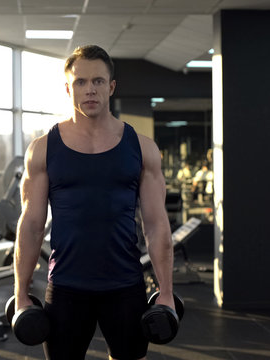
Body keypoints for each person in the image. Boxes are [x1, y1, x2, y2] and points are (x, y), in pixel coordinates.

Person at [13, 45, 175, 360]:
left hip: (125, 285)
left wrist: (166, 291)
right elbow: (31, 227)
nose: (90, 90)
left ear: (111, 87)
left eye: (98, 81)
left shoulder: (143, 149)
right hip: (66, 287)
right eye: (81, 82)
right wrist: (20, 294)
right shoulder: (43, 149)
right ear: (67, 88)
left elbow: (157, 226)